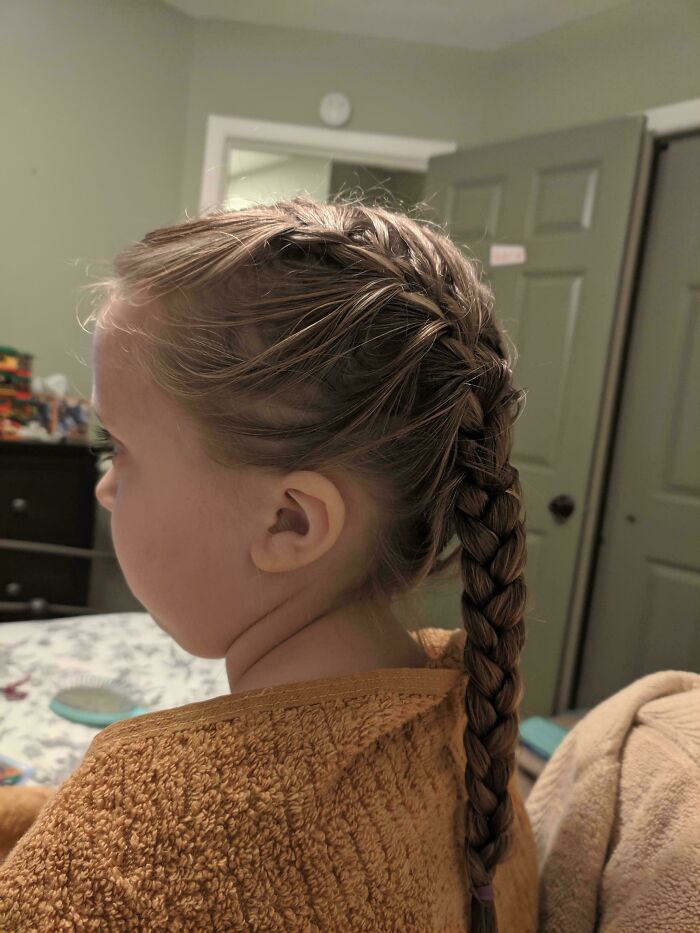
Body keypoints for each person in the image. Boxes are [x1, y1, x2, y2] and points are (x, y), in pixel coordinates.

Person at [0, 196, 537, 932]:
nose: (103, 486)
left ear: (290, 522)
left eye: (118, 448)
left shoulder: (131, 857)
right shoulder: (466, 726)